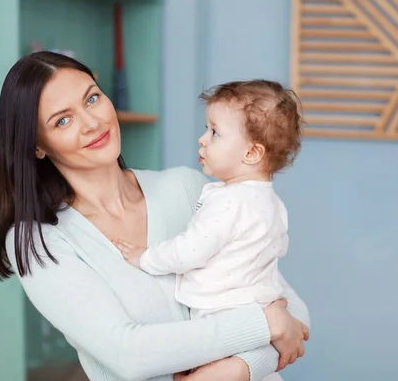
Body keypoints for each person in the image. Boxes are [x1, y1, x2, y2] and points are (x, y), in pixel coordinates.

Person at [0, 51, 310, 381]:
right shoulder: (40, 241)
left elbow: (292, 312)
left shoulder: (189, 187)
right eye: (62, 120)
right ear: (37, 145)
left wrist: (239, 368)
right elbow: (129, 354)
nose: (93, 123)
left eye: (92, 98)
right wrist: (263, 324)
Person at [114, 80, 303, 326]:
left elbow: (188, 252)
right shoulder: (273, 204)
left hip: (221, 313)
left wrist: (144, 257)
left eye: (215, 132)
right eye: (206, 129)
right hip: (258, 309)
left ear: (251, 153)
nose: (202, 139)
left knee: (209, 365)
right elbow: (276, 249)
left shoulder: (229, 201)